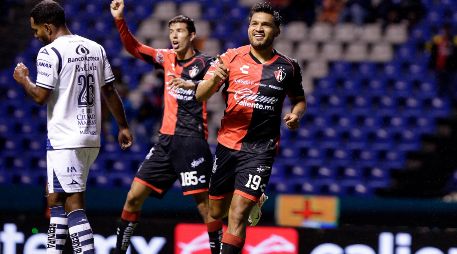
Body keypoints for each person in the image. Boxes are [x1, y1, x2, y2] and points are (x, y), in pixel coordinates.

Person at [12, 1, 133, 253]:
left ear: (48, 27)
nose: (36, 36)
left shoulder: (50, 52)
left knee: (74, 203)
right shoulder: (95, 48)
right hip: (90, 136)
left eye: (37, 31)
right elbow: (109, 89)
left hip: (65, 138)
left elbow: (40, 96)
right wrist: (122, 126)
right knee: (54, 196)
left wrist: (24, 80)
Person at [109, 1, 223, 253]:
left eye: (180, 31)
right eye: (172, 31)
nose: (174, 36)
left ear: (192, 35)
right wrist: (119, 20)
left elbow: (216, 83)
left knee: (205, 207)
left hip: (192, 143)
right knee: (133, 196)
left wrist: (194, 85)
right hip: (164, 143)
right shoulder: (166, 58)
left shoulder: (206, 63)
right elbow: (135, 48)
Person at [195, 2, 306, 253]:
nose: (258, 29)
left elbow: (299, 100)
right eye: (254, 24)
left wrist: (295, 114)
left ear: (277, 30)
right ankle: (256, 202)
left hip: (260, 150)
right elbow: (200, 95)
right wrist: (214, 79)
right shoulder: (230, 57)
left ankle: (249, 203)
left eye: (265, 24)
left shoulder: (288, 67)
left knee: (237, 214)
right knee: (216, 210)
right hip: (227, 145)